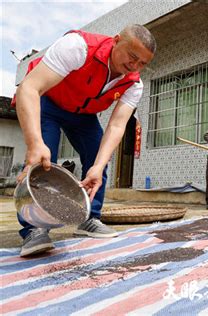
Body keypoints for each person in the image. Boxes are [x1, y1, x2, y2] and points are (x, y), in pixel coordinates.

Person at [13, 24, 156, 256]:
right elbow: (29, 87)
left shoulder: (134, 84)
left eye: (142, 63)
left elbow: (118, 125)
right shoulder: (77, 47)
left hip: (84, 116)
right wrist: (34, 142)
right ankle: (34, 228)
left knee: (98, 158)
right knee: (42, 161)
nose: (134, 66)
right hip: (48, 102)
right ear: (116, 40)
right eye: (132, 57)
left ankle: (89, 218)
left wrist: (98, 166)